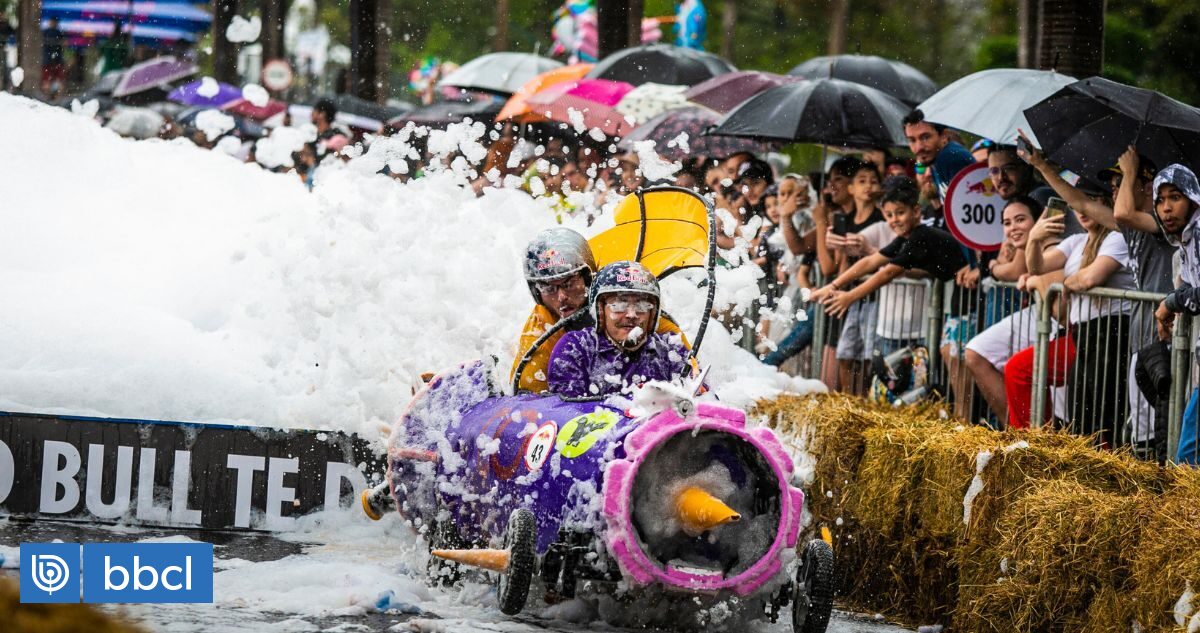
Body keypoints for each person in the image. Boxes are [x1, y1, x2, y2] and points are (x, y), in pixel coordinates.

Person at [1003, 197, 1137, 438]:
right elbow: (1036, 267)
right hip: (1083, 334)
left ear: (1103, 202)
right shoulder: (1076, 241)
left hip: (1112, 331)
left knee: (1102, 416)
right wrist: (1034, 237)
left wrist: (1063, 284)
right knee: (1083, 415)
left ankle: (1103, 468)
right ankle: (1032, 442)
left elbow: (1089, 279)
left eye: (1088, 201)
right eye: (1075, 204)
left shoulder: (1117, 237)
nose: (1080, 209)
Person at [511, 228, 689, 393]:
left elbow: (692, 373)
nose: (561, 297)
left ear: (588, 279)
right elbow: (527, 398)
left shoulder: (638, 308)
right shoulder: (542, 327)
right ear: (536, 292)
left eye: (569, 284)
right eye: (548, 288)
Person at [810, 178, 966, 340]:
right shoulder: (905, 237)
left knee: (953, 356)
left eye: (900, 213)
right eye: (889, 215)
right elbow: (871, 261)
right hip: (955, 295)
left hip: (967, 293)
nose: (894, 220)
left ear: (916, 212)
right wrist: (832, 285)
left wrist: (850, 296)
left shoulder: (921, 236)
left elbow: (888, 273)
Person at [547, 261, 691, 398]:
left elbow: (698, 403)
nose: (632, 315)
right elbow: (566, 413)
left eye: (642, 306)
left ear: (653, 314)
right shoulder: (575, 348)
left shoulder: (672, 349)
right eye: (619, 305)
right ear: (600, 311)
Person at [963, 196, 1045, 425]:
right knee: (978, 353)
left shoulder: (1049, 243)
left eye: (1020, 220)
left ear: (1038, 221)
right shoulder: (1027, 243)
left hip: (1056, 323)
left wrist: (993, 267)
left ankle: (1020, 434)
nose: (1013, 228)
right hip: (1039, 320)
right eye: (1007, 223)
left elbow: (1016, 270)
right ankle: (1016, 432)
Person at [1146, 164, 1200, 463]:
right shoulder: (1187, 241)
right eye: (1160, 199)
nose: (1166, 208)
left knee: (1188, 457)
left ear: (1193, 199)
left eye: (1175, 197)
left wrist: (1171, 303)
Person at [41, 18, 66, 98]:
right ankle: (48, 96)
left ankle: (55, 96)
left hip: (56, 60)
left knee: (58, 80)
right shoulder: (46, 32)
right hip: (48, 60)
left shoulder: (59, 32)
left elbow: (63, 43)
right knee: (47, 80)